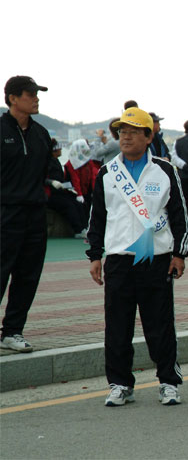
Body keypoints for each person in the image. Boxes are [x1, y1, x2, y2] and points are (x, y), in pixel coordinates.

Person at [86, 107, 188, 407]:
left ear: (149, 136)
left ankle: (169, 382)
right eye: (122, 131)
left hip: (156, 259)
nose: (126, 137)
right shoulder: (108, 173)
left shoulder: (165, 169)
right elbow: (97, 218)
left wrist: (180, 254)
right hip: (119, 259)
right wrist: (95, 255)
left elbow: (181, 216)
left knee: (160, 325)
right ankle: (120, 383)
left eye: (134, 131)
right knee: (117, 325)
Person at [1, 76, 51, 353]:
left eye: (36, 93)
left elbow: (48, 172)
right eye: (30, 93)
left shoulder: (41, 133)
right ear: (12, 98)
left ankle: (12, 331)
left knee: (28, 275)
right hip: (4, 213)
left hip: (34, 215)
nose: (36, 98)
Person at [45, 139, 88, 238]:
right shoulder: (47, 163)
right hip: (51, 194)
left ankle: (84, 228)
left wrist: (69, 188)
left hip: (60, 191)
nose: (61, 150)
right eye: (59, 149)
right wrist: (52, 182)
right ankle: (78, 230)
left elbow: (61, 179)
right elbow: (42, 178)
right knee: (69, 206)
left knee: (77, 203)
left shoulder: (55, 161)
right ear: (54, 150)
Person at [64, 139, 100, 222]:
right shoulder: (71, 163)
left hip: (87, 190)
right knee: (81, 210)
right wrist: (79, 195)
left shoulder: (88, 161)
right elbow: (75, 179)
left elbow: (92, 177)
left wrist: (95, 191)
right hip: (75, 192)